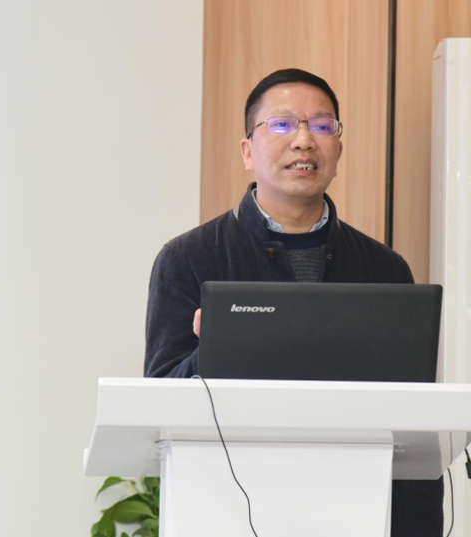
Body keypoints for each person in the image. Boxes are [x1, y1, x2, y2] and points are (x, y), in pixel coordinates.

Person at [143, 68, 443, 536]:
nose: (304, 140)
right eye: (281, 124)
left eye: (322, 126)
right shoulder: (188, 259)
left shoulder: (384, 269)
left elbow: (410, 422)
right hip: (225, 508)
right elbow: (158, 403)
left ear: (338, 149)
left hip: (356, 509)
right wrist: (217, 349)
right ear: (247, 151)